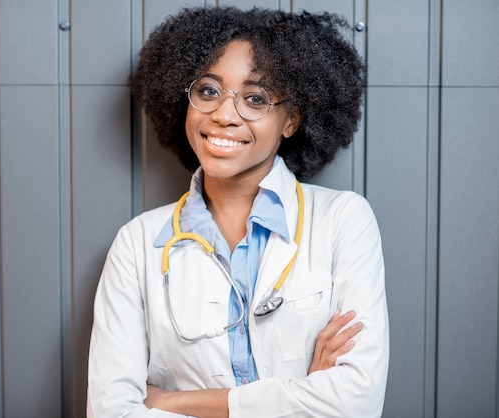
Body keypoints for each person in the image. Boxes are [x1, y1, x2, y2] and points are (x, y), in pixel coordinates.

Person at [87, 6, 389, 417]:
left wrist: (173, 402)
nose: (225, 115)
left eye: (255, 98)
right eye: (209, 91)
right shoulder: (137, 243)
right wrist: (301, 394)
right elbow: (112, 412)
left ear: (291, 119)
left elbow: (354, 403)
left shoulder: (343, 220)